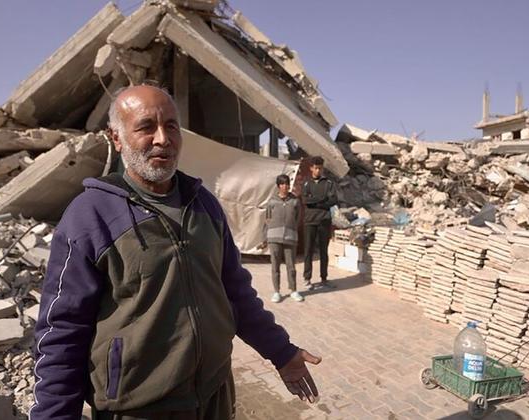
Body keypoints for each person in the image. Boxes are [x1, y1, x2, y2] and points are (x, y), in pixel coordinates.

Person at [30, 85, 321, 420]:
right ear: (117, 138)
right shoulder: (89, 216)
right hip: (139, 410)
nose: (162, 139)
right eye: (145, 127)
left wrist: (281, 352)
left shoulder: (204, 205)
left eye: (170, 126)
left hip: (214, 397)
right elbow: (62, 331)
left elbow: (235, 294)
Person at [264, 174, 304, 303]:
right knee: (275, 266)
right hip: (273, 237)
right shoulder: (272, 201)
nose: (285, 186)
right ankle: (277, 292)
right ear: (278, 186)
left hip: (290, 237)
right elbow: (267, 219)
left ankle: (293, 290)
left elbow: (298, 219)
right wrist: (266, 236)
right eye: (282, 184)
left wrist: (293, 229)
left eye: (287, 184)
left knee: (291, 266)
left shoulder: (295, 201)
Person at [302, 156, 338, 290]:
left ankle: (324, 278)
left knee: (324, 251)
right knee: (308, 250)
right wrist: (322, 200)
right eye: (316, 168)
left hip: (324, 220)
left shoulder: (328, 183)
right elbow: (305, 200)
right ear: (311, 168)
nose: (318, 170)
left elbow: (333, 200)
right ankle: (307, 278)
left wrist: (316, 201)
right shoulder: (306, 183)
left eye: (320, 168)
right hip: (310, 221)